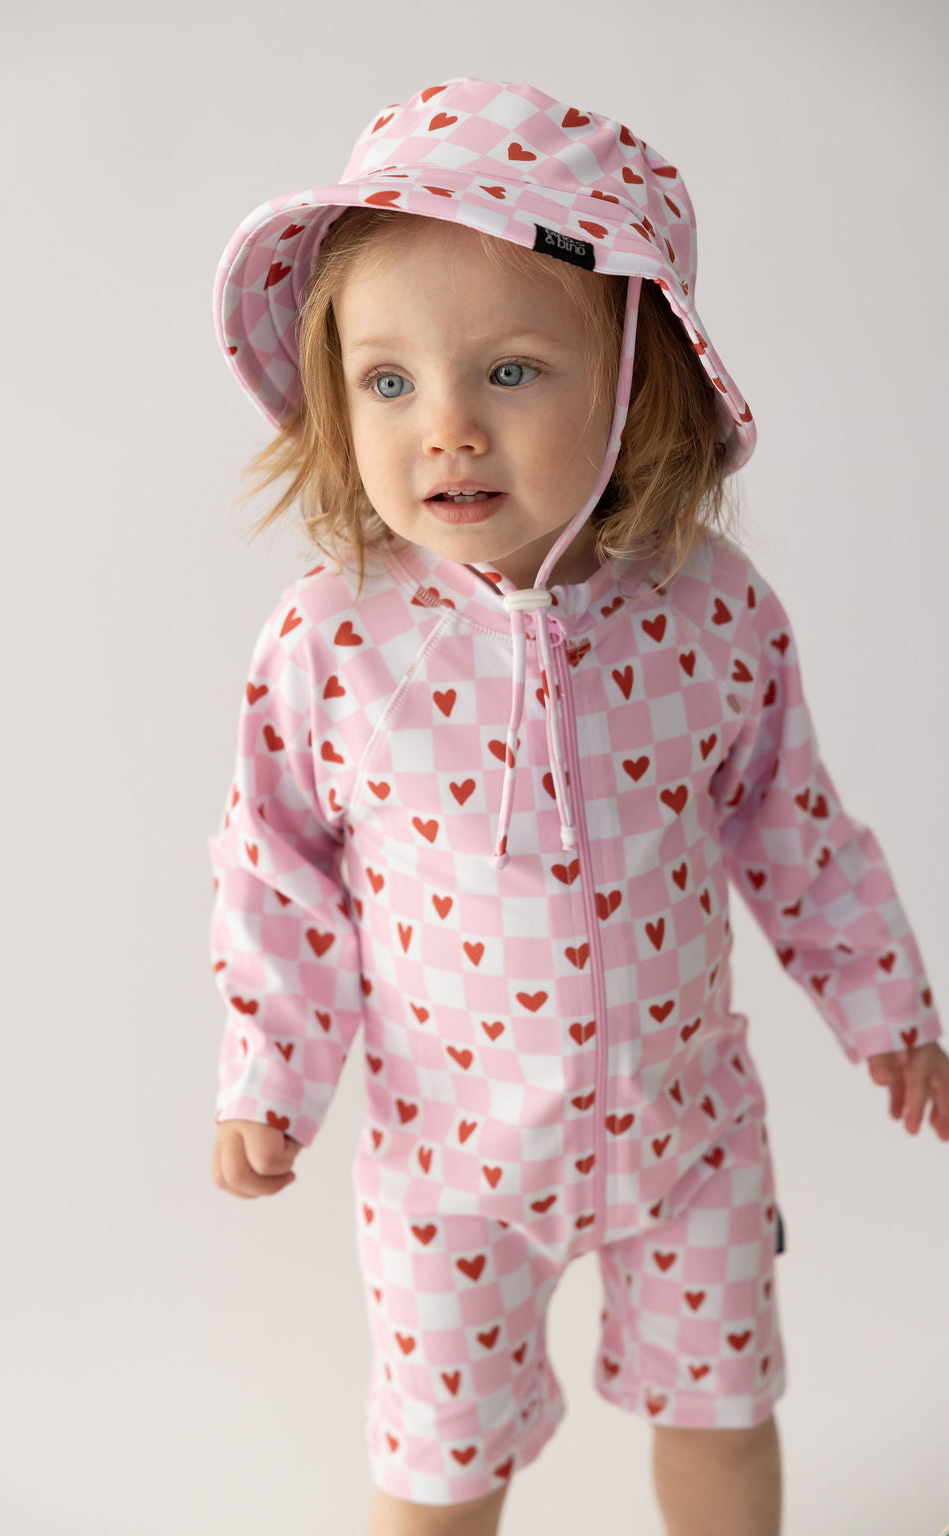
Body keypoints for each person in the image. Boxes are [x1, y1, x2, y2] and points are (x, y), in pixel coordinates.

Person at [205, 77, 949, 1536]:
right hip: (452, 1166)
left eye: (510, 371)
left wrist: (887, 1006)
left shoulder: (711, 611)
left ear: (633, 379)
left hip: (688, 1136)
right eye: (389, 382)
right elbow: (276, 868)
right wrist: (269, 1074)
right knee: (439, 1467)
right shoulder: (335, 640)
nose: (447, 430)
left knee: (725, 1417)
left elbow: (791, 824)